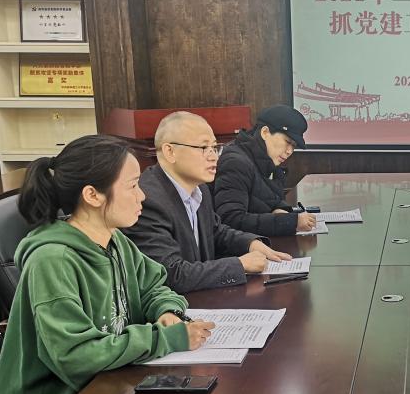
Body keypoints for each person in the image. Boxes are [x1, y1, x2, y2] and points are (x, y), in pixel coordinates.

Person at [0, 135, 215, 394]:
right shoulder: (52, 261)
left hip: (105, 387)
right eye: (132, 186)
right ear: (93, 195)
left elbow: (154, 286)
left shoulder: (114, 239)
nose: (142, 196)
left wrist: (166, 311)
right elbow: (76, 356)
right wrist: (166, 339)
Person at [124, 112, 293, 294]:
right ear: (170, 152)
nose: (214, 157)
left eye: (214, 148)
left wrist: (250, 243)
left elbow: (215, 231)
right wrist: (239, 265)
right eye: (204, 148)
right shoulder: (147, 200)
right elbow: (171, 273)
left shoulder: (199, 188)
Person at [213, 104, 317, 237]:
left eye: (294, 146)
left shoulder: (269, 162)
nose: (290, 151)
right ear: (265, 132)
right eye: (287, 142)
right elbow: (230, 220)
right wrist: (289, 222)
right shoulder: (235, 163)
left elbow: (266, 200)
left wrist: (279, 210)